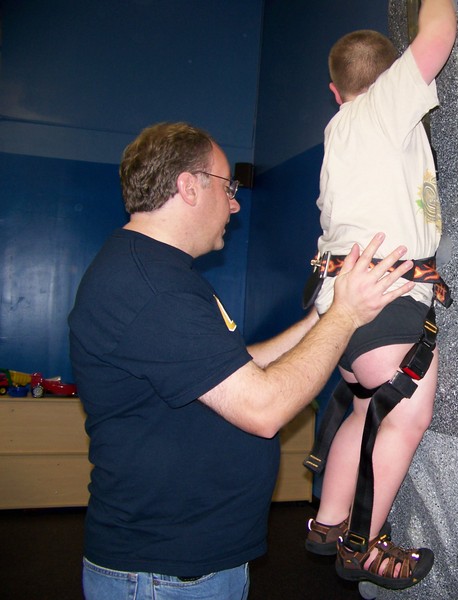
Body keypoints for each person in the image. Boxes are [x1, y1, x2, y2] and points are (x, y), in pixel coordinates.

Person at [68, 121, 416, 600]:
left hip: (189, 564)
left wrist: (324, 318)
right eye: (227, 187)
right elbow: (262, 408)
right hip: (163, 574)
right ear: (188, 187)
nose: (234, 203)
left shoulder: (154, 273)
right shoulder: (149, 287)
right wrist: (345, 315)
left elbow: (231, 368)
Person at [303, 0, 457, 590]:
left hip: (341, 305)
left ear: (334, 92)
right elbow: (437, 34)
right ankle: (360, 545)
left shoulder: (340, 131)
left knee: (366, 407)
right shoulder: (382, 109)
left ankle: (329, 520)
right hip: (385, 299)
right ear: (392, 77)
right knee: (407, 414)